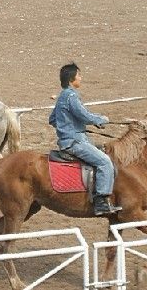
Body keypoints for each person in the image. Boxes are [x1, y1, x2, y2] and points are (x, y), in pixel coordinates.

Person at [49, 62, 121, 216]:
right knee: (105, 162)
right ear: (71, 79)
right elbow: (83, 115)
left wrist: (69, 126)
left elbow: (53, 119)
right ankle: (101, 201)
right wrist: (100, 119)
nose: (81, 78)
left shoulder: (62, 96)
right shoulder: (71, 95)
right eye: (79, 75)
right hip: (76, 142)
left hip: (69, 140)